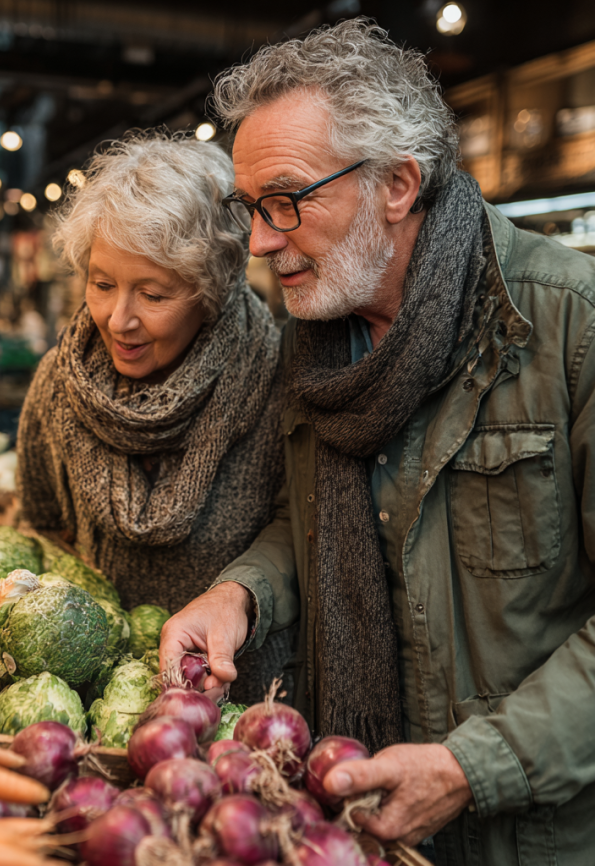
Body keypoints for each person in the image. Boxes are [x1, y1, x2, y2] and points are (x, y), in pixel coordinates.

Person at [159, 19, 595, 865]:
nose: (260, 240)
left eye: (287, 200)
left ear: (397, 184)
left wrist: (475, 767)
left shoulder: (568, 327)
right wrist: (240, 596)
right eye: (252, 208)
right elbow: (317, 515)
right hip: (356, 822)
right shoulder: (318, 342)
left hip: (536, 837)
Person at [15, 132, 292, 703]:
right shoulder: (57, 386)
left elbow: (299, 533)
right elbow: (42, 527)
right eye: (102, 284)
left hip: (240, 700)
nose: (118, 320)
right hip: (91, 701)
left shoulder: (277, 382)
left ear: (210, 291)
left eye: (153, 295)